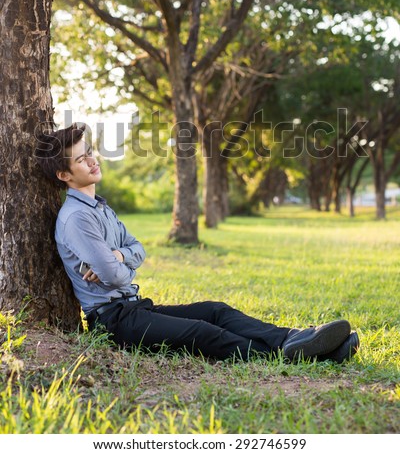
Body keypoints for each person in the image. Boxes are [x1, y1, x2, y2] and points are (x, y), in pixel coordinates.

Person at [34, 123, 359, 363]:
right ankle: (308, 356)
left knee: (215, 312)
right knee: (203, 333)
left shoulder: (100, 206)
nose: (92, 161)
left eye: (89, 152)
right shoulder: (77, 217)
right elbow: (115, 277)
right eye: (81, 159)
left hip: (133, 307)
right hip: (115, 322)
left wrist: (118, 254)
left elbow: (137, 248)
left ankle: (294, 338)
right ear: (64, 175)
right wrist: (117, 264)